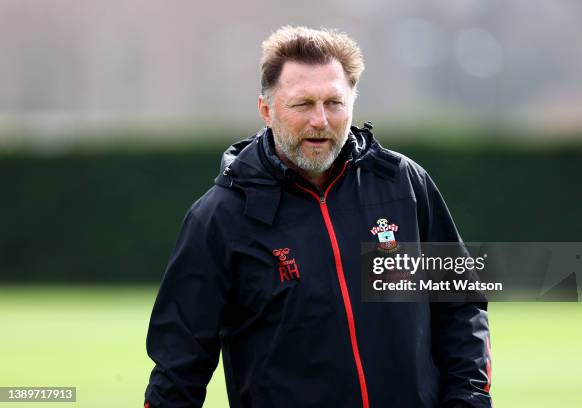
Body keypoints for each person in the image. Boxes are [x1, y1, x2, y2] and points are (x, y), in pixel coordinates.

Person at [144, 26, 492, 408]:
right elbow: (178, 369)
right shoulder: (219, 218)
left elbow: (459, 303)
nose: (321, 120)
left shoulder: (404, 185)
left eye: (334, 102)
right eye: (303, 104)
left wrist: (469, 400)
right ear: (266, 110)